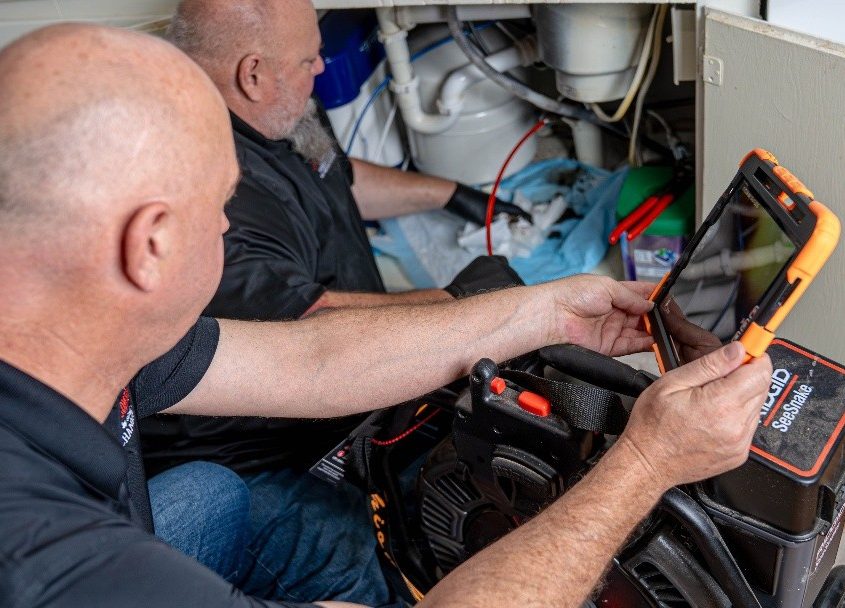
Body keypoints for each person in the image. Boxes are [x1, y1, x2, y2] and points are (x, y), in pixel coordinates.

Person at [0, 22, 773, 608]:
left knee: (215, 492)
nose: (229, 230)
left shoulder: (81, 323)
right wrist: (645, 464)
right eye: (218, 208)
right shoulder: (52, 557)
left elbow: (306, 361)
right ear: (152, 245)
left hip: (131, 517)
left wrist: (550, 312)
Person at [139, 0, 526, 588]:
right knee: (367, 555)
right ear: (252, 72)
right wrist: (463, 304)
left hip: (341, 382)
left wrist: (450, 195)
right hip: (259, 456)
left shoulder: (277, 105)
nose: (323, 66)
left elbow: (334, 173)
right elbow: (311, 328)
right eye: (309, 57)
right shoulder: (210, 189)